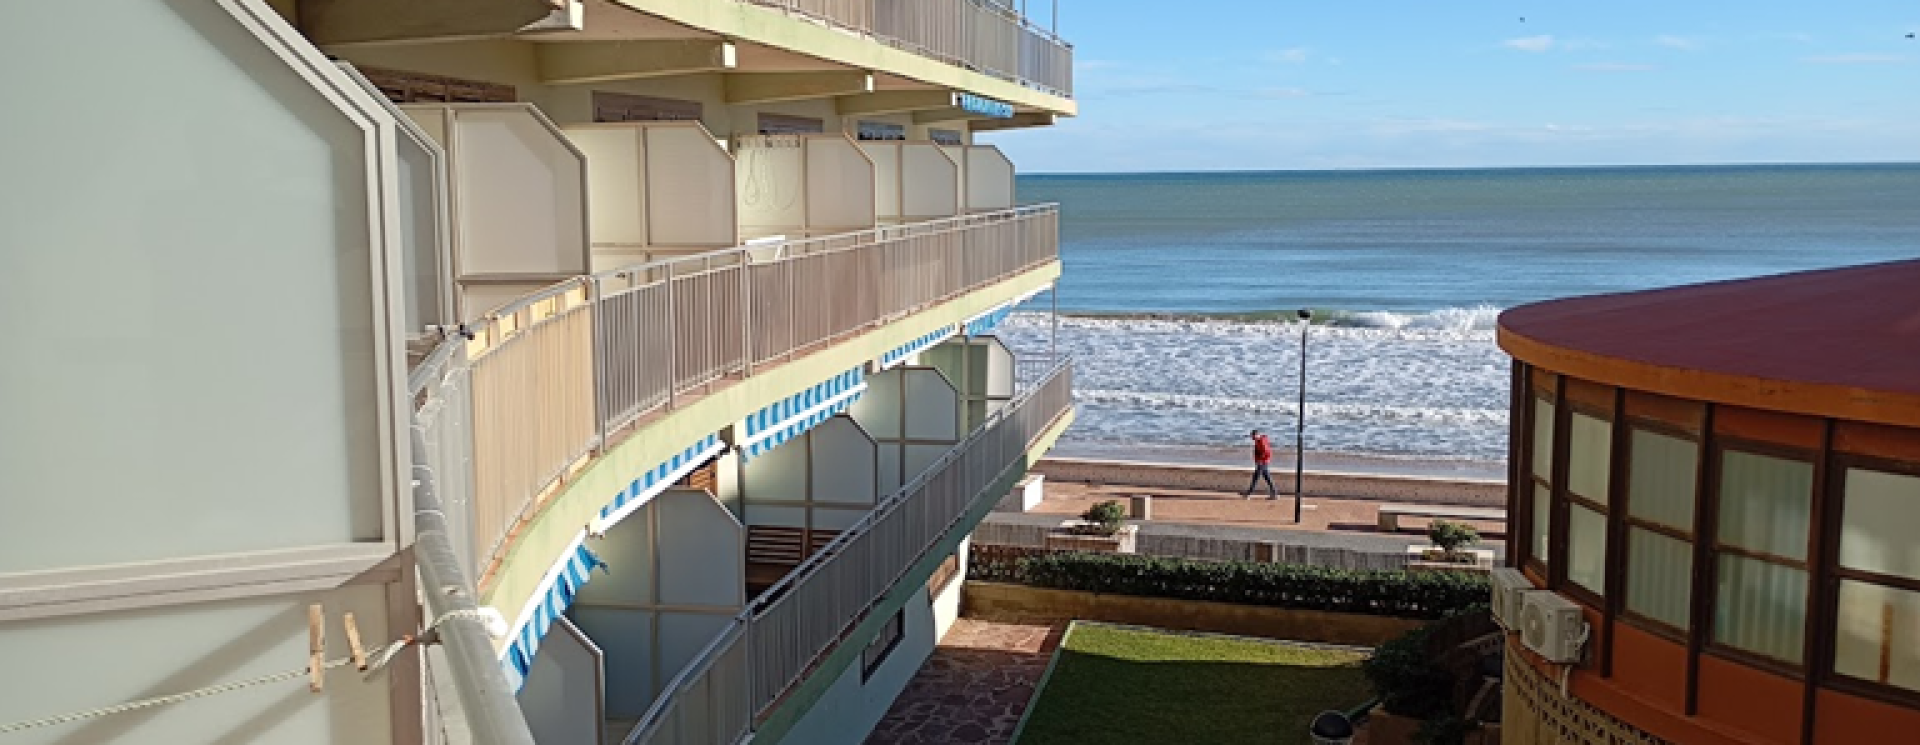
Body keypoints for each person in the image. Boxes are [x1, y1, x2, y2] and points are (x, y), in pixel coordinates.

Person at [1243, 429, 1277, 499]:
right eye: (1251, 437)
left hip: (1262, 462)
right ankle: (1274, 494)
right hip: (1263, 461)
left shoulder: (1261, 441)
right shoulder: (1258, 440)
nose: (1252, 438)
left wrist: (1260, 461)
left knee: (1255, 478)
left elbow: (1266, 452)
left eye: (1253, 436)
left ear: (1256, 435)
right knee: (1267, 478)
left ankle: (1248, 494)